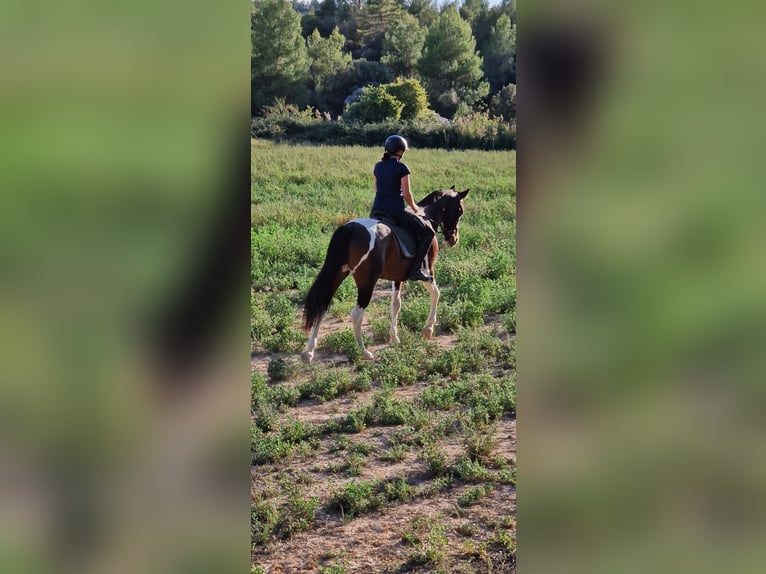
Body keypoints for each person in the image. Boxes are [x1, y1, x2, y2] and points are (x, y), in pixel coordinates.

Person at [370, 135, 434, 282]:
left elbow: (377, 189)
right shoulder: (402, 168)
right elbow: (406, 194)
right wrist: (414, 208)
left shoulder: (378, 166)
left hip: (376, 210)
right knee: (428, 232)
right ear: (401, 151)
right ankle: (416, 269)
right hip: (395, 211)